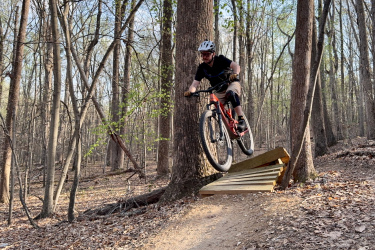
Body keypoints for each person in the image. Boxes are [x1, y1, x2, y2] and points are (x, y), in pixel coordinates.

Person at [184, 40, 246, 131]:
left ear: (213, 54)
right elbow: (194, 84)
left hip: (231, 83)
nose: (204, 57)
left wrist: (235, 74)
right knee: (216, 106)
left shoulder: (220, 59)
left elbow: (236, 66)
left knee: (231, 93)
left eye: (207, 54)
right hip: (219, 90)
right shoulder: (202, 68)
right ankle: (228, 128)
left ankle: (241, 120)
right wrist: (190, 92)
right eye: (203, 54)